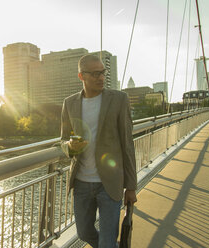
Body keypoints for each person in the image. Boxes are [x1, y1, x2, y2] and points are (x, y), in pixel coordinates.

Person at [60, 54, 137, 248]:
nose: (101, 77)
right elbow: (62, 139)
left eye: (103, 72)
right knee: (83, 232)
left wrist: (131, 186)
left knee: (106, 241)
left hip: (109, 183)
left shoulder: (119, 99)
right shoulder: (69, 103)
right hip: (81, 183)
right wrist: (69, 147)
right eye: (95, 74)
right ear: (81, 76)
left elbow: (127, 144)